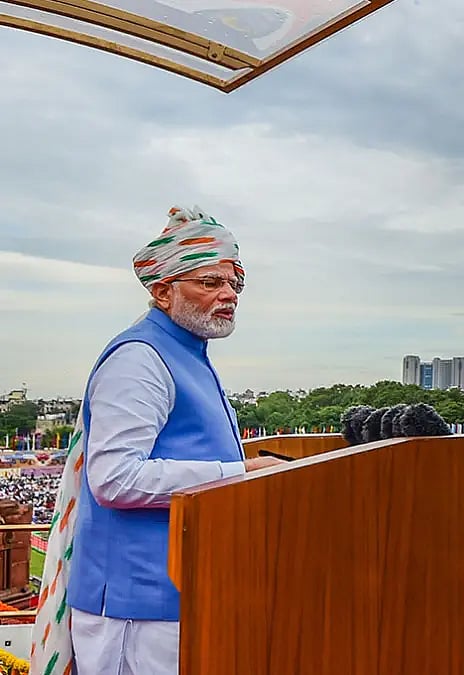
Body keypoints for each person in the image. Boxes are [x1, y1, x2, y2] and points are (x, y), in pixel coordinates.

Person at [31, 206, 284, 675]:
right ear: (163, 291)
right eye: (210, 283)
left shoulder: (186, 354)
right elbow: (116, 478)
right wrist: (241, 475)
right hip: (136, 608)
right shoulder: (140, 359)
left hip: (173, 597)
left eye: (234, 285)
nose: (228, 295)